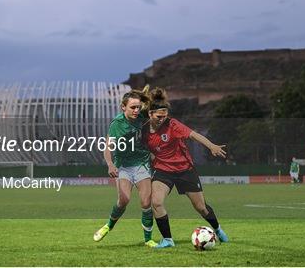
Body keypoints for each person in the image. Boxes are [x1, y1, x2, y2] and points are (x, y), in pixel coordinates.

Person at [144, 87, 229, 249]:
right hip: (163, 171)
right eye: (159, 116)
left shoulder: (173, 124)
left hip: (184, 170)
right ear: (150, 114)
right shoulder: (143, 130)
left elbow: (194, 135)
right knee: (156, 202)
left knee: (201, 207)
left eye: (165, 116)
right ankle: (168, 240)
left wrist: (211, 146)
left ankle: (217, 229)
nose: (163, 119)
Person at [93, 88, 157, 247]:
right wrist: (110, 164)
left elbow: (155, 109)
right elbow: (108, 148)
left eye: (138, 107)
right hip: (123, 167)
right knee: (124, 200)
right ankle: (109, 226)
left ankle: (148, 239)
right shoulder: (117, 124)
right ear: (123, 107)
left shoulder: (143, 117)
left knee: (146, 202)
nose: (136, 110)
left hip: (142, 164)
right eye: (132, 107)